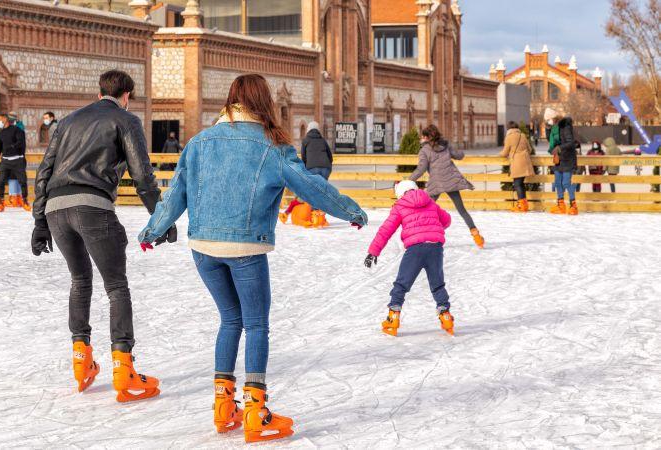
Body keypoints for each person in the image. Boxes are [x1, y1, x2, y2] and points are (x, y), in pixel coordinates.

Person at [138, 74, 368, 443]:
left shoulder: (200, 142)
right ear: (264, 103)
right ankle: (256, 411)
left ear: (230, 101)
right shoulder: (272, 146)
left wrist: (152, 231)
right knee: (256, 325)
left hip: (204, 250)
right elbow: (310, 185)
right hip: (246, 249)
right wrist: (350, 210)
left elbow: (175, 194)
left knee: (230, 321)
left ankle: (222, 406)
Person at [31, 70, 167, 400]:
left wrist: (39, 222)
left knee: (80, 281)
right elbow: (143, 177)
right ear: (127, 96)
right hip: (93, 206)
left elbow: (44, 171)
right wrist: (161, 218)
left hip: (56, 209)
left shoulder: (67, 122)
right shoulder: (125, 120)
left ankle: (82, 361)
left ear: (99, 93)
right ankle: (124, 368)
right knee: (116, 285)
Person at [364, 180, 454, 337]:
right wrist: (432, 228)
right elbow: (446, 220)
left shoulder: (400, 206)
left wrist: (374, 251)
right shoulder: (429, 201)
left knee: (401, 284)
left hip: (415, 250)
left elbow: (386, 230)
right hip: (435, 247)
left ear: (399, 193)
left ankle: (393, 318)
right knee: (437, 284)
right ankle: (446, 316)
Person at [409, 124, 484, 249]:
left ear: (427, 137)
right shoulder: (445, 145)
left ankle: (419, 237)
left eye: (422, 136)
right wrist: (458, 149)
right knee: (462, 210)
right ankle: (476, 236)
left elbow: (421, 169)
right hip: (451, 181)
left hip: (436, 183)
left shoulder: (424, 150)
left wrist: (408, 181)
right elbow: (460, 155)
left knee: (425, 210)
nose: (420, 138)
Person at [0, 113, 29, 212]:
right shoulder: (1, 133)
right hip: (5, 161)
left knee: (23, 181)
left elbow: (21, 142)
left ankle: (25, 201)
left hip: (17, 160)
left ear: (5, 119)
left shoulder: (17, 130)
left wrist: (13, 146)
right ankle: (1, 202)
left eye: (0, 119)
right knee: (1, 181)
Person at [544, 107, 578, 215]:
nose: (549, 121)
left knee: (566, 183)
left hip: (568, 158)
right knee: (558, 183)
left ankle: (573, 206)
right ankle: (561, 205)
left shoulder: (565, 125)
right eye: (547, 120)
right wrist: (547, 128)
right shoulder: (554, 127)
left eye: (550, 119)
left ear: (554, 117)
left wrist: (559, 148)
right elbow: (550, 140)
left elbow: (571, 143)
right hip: (558, 158)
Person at [499, 121, 535, 213]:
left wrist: (499, 154)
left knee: (517, 184)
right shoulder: (522, 135)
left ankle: (521, 205)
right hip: (525, 162)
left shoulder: (509, 137)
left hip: (517, 162)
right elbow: (530, 149)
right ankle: (524, 204)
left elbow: (504, 153)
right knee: (521, 183)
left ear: (509, 128)